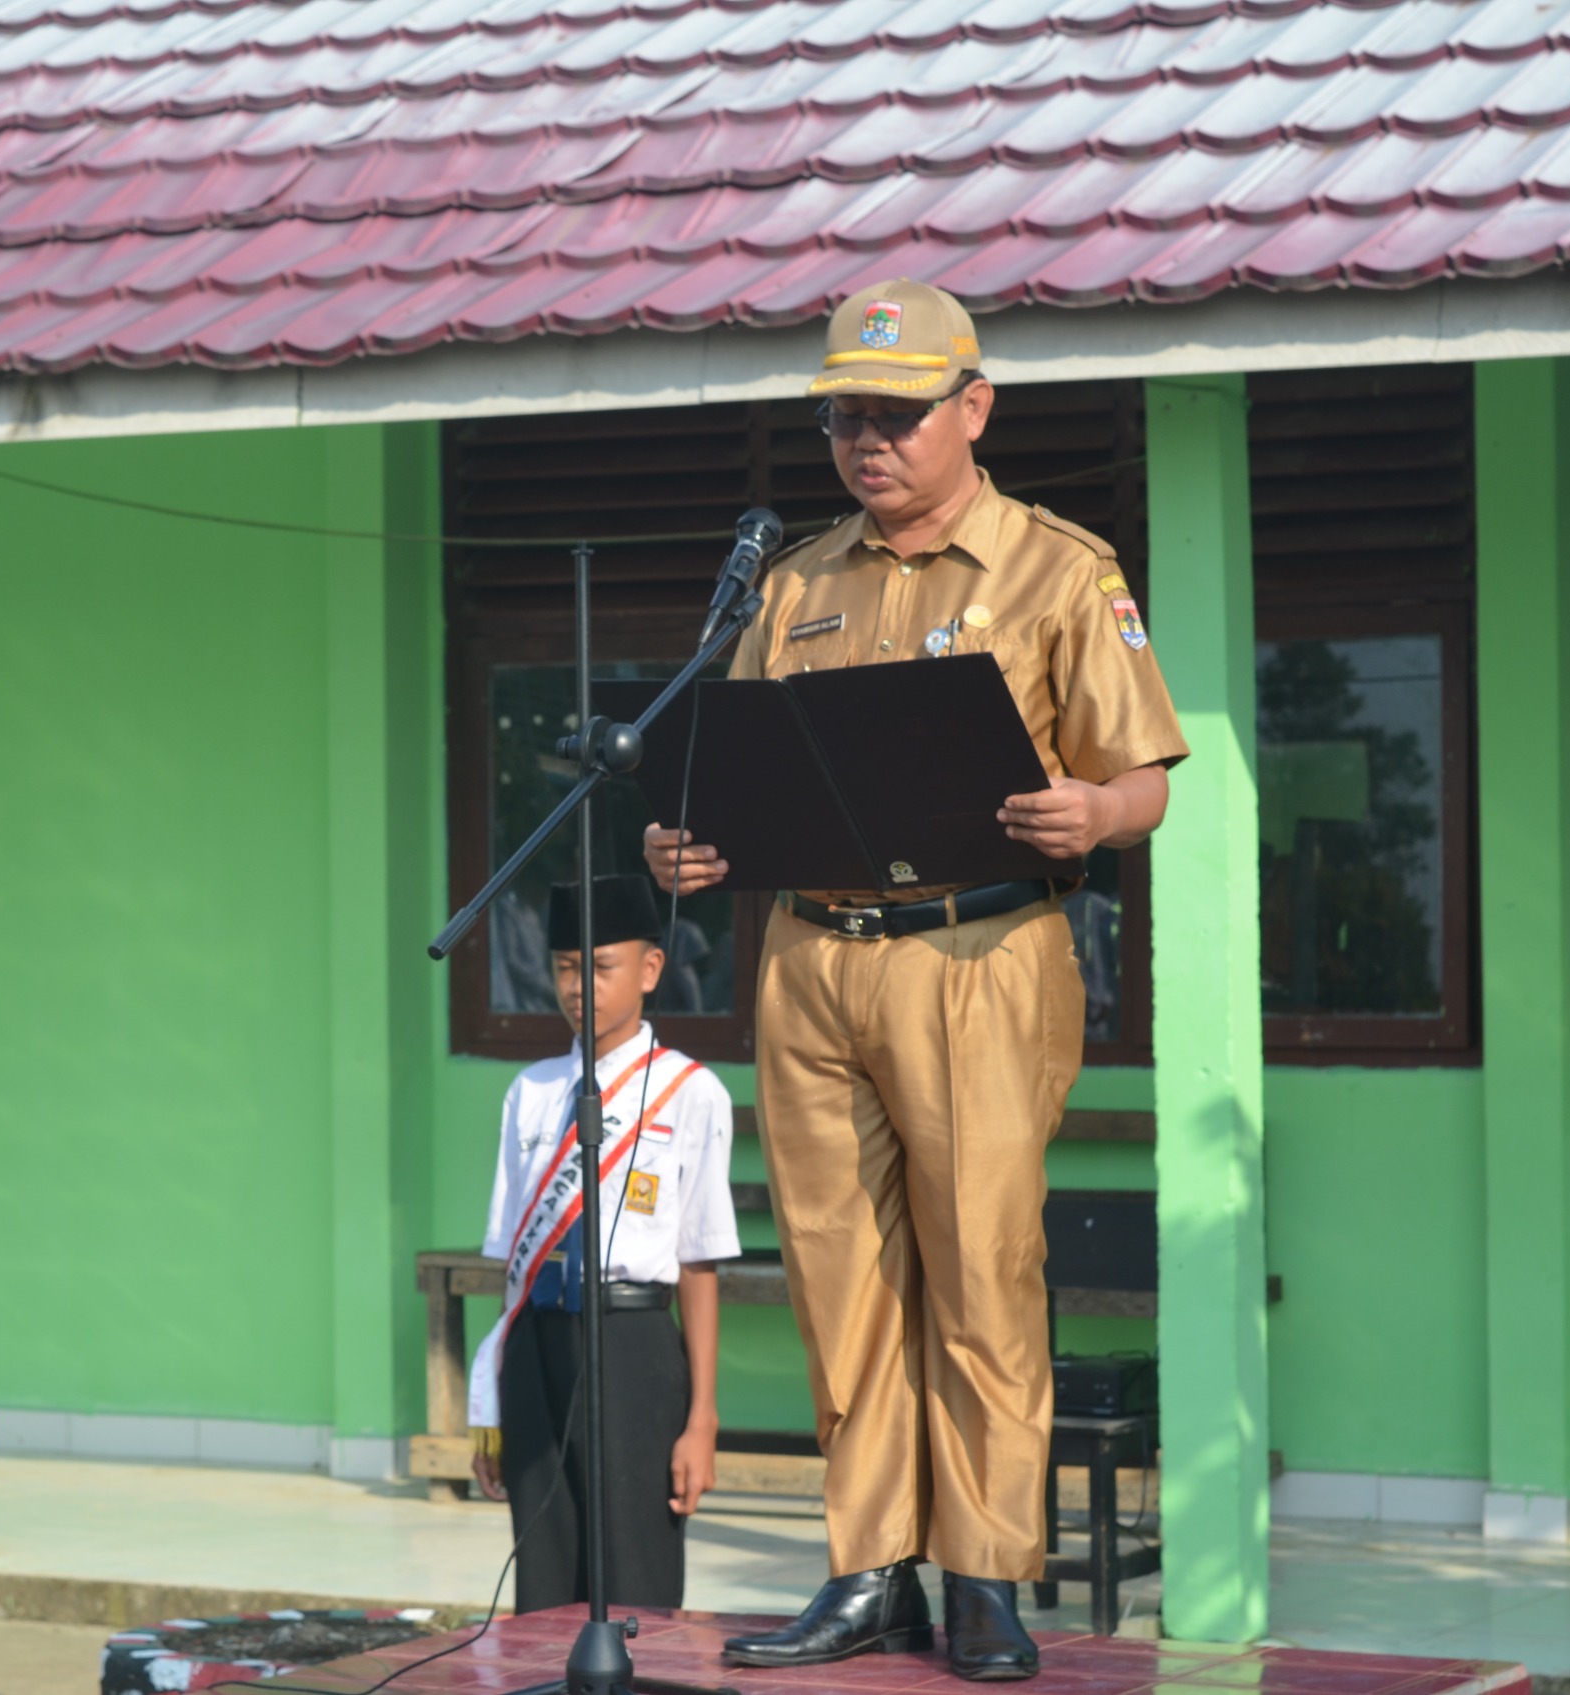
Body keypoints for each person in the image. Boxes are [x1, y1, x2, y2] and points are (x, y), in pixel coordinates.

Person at [643, 280, 1186, 1682]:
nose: (864, 442)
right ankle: (870, 1567)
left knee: (980, 1268)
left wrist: (1102, 815)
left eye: (892, 413)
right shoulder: (796, 578)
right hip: (811, 956)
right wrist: (691, 839)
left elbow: (1142, 775)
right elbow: (740, 761)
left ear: (973, 406)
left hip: (981, 951)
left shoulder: (1062, 566)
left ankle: (987, 1573)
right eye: (840, 417)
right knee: (839, 1274)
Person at [467, 875, 741, 1614]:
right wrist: (493, 1402)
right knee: (544, 1575)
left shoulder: (690, 1091)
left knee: (636, 1579)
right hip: (538, 1347)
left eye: (600, 965)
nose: (577, 985)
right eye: (563, 966)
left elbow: (699, 1259)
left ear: (651, 969)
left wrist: (702, 1418)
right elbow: (513, 1267)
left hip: (633, 1346)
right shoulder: (531, 1089)